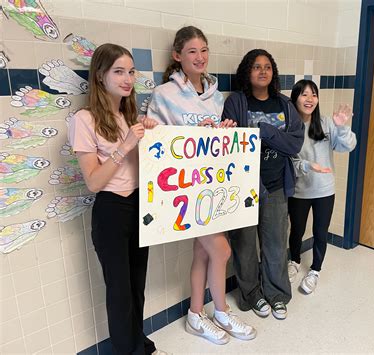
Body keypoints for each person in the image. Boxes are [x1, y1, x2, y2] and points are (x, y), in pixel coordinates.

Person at [147, 26, 256, 345]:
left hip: (211, 187)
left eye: (204, 50)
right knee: (221, 249)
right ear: (177, 56)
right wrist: (190, 132)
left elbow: (215, 145)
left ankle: (196, 314)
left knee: (203, 253)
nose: (200, 57)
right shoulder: (163, 94)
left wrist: (222, 130)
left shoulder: (216, 95)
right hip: (184, 190)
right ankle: (221, 311)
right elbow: (155, 142)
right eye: (192, 51)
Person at [68, 43, 163, 354]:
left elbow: (145, 164)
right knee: (119, 291)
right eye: (119, 71)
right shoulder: (84, 119)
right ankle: (126, 349)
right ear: (100, 76)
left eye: (131, 72)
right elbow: (94, 181)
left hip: (139, 205)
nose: (127, 78)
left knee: (137, 285)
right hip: (111, 210)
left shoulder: (128, 115)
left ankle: (139, 345)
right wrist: (125, 145)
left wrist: (151, 134)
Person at [223, 49, 304, 320]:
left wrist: (264, 131)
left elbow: (294, 144)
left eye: (267, 66)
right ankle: (252, 295)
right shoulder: (236, 101)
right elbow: (233, 142)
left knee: (276, 243)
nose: (262, 71)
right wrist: (271, 138)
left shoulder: (284, 104)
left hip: (277, 185)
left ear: (273, 72)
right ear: (247, 71)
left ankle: (277, 294)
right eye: (256, 67)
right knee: (244, 245)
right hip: (244, 186)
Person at [288, 79, 356, 294]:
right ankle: (295, 261)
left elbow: (348, 146)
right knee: (296, 230)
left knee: (320, 231)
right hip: (299, 190)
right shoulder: (290, 127)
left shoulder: (326, 123)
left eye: (314, 95)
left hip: (325, 190)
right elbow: (289, 162)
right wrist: (308, 166)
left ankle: (315, 270)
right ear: (295, 98)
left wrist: (342, 127)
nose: (310, 99)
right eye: (304, 94)